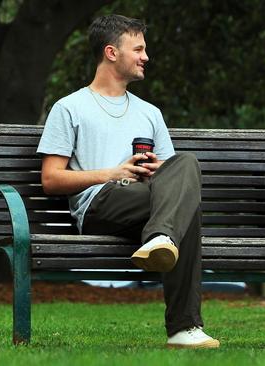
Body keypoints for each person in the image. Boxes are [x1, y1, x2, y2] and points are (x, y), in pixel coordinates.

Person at [36, 14, 219, 349]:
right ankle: (184, 326)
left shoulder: (150, 113)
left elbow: (172, 172)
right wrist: (112, 173)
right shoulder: (69, 108)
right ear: (111, 52)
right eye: (138, 49)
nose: (145, 56)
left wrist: (152, 169)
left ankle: (161, 239)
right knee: (185, 207)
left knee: (187, 165)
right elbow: (50, 179)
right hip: (98, 204)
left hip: (146, 206)